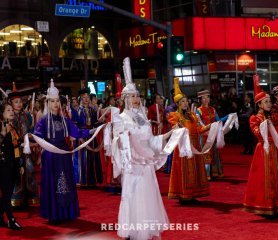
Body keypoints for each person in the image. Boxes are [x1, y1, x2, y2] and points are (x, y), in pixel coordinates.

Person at [111, 58, 174, 240]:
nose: (136, 99)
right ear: (124, 99)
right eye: (132, 96)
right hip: (133, 166)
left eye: (137, 95)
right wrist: (124, 138)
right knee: (133, 197)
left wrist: (168, 135)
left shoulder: (143, 118)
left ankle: (145, 231)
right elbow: (117, 143)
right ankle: (132, 231)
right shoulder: (121, 118)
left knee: (148, 198)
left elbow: (151, 141)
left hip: (146, 165)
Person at [33, 79, 90, 223]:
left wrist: (95, 130)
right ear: (47, 103)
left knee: (65, 182)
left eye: (57, 101)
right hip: (51, 157)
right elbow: (37, 137)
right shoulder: (43, 121)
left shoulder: (65, 120)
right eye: (52, 101)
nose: (55, 104)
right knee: (53, 183)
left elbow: (77, 133)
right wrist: (28, 140)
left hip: (64, 156)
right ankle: (54, 213)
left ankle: (66, 213)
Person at [243, 75, 278, 219]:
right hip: (264, 151)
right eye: (265, 102)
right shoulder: (255, 119)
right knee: (265, 180)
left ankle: (277, 207)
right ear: (259, 104)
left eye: (269, 101)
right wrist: (264, 125)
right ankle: (266, 208)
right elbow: (258, 134)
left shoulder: (274, 116)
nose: (269, 104)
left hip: (277, 150)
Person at [168, 78, 210, 203]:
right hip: (183, 147)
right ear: (178, 104)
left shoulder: (192, 115)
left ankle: (193, 194)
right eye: (183, 102)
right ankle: (184, 195)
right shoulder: (174, 115)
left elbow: (199, 129)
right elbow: (174, 129)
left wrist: (210, 126)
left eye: (186, 101)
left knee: (195, 170)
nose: (186, 103)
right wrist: (178, 127)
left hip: (194, 145)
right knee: (185, 170)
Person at [7, 82, 39, 207]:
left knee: (29, 171)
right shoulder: (9, 116)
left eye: (20, 101)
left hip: (26, 150)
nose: (19, 104)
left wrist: (32, 137)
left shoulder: (27, 116)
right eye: (16, 102)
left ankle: (30, 197)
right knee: (17, 173)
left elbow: (30, 130)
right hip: (14, 149)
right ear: (10, 103)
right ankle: (16, 198)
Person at [0, 103, 23, 230]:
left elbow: (17, 147)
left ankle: (0, 218)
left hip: (13, 165)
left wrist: (20, 163)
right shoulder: (1, 126)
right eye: (7, 110)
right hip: (3, 165)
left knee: (6, 194)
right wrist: (3, 133)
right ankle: (11, 219)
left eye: (11, 110)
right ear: (2, 114)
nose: (11, 112)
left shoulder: (13, 128)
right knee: (7, 194)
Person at [196, 89, 227, 180]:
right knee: (206, 154)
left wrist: (228, 117)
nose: (206, 99)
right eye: (203, 98)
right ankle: (206, 174)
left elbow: (218, 121)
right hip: (204, 136)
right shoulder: (198, 111)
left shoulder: (212, 109)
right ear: (200, 99)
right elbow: (199, 125)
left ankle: (214, 173)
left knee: (215, 153)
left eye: (207, 97)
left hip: (213, 135)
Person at [76, 88, 102, 187]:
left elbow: (95, 122)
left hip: (91, 135)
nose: (86, 99)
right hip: (82, 136)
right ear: (81, 98)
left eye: (87, 97)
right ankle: (83, 180)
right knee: (83, 157)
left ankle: (92, 180)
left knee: (92, 157)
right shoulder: (78, 110)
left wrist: (101, 124)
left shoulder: (92, 110)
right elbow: (76, 124)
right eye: (84, 97)